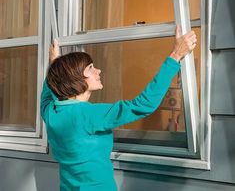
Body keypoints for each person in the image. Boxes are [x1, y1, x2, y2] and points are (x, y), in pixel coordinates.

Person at [40, 25, 196, 191]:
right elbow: (143, 105)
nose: (98, 70)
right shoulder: (88, 114)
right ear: (75, 77)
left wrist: (55, 64)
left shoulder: (51, 112)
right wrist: (176, 56)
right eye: (91, 68)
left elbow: (47, 93)